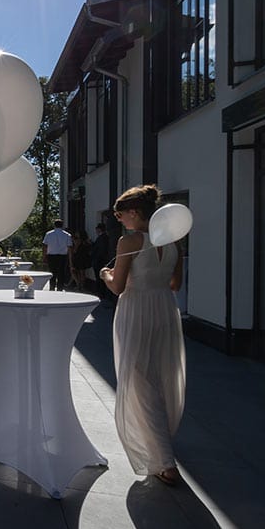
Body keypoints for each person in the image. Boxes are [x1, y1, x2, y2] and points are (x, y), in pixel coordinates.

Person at [99, 185, 185, 486]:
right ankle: (160, 443)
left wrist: (105, 274)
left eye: (121, 215)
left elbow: (118, 286)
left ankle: (164, 460)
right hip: (164, 309)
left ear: (135, 212)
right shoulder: (173, 241)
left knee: (138, 380)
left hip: (136, 309)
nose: (120, 220)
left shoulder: (130, 241)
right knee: (160, 376)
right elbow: (176, 284)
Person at [42, 219, 73, 291]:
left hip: (51, 256)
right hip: (62, 256)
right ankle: (60, 289)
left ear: (54, 225)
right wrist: (71, 261)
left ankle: (52, 288)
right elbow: (70, 248)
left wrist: (44, 257)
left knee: (52, 273)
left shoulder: (48, 234)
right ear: (62, 225)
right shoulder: (67, 235)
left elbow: (45, 246)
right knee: (61, 274)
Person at [91, 222, 113, 300]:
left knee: (99, 278)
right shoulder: (105, 237)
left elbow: (101, 251)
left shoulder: (102, 238)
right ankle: (102, 294)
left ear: (99, 229)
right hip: (101, 261)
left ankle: (101, 294)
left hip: (99, 262)